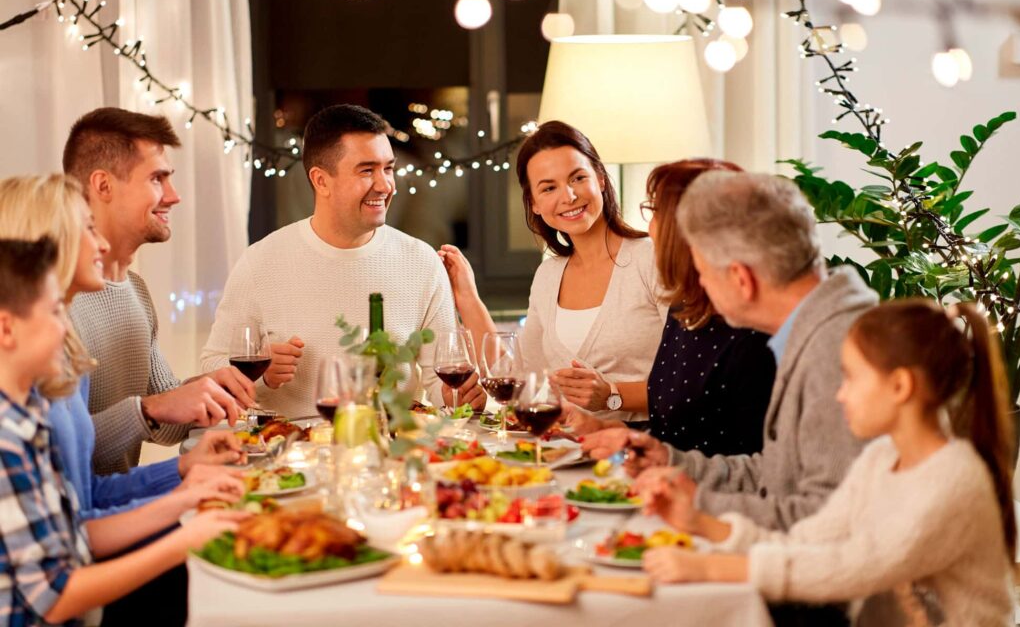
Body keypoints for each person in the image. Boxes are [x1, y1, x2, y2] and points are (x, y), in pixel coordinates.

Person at [638, 300, 1014, 626]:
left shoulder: (952, 481)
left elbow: (850, 566)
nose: (839, 393)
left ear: (900, 386)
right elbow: (810, 541)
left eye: (850, 377)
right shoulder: (882, 459)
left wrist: (711, 567)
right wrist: (702, 523)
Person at [583, 171, 876, 530]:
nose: (699, 284)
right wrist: (671, 462)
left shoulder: (837, 353)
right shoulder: (807, 330)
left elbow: (827, 519)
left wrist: (697, 504)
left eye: (703, 271)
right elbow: (777, 473)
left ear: (741, 279)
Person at [0, 237, 247, 626]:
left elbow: (78, 531)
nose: (68, 329)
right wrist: (182, 540)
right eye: (55, 312)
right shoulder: (7, 437)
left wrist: (187, 497)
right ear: (7, 329)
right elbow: (54, 598)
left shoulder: (29, 420)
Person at [202, 104, 480, 418]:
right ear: (321, 181)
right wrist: (262, 374)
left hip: (392, 451)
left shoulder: (422, 262)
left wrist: (456, 395)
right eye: (366, 170)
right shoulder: (260, 261)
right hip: (290, 452)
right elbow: (214, 363)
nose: (385, 185)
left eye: (388, 168)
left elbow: (438, 381)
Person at [0, 174, 245, 520]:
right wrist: (183, 506)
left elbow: (87, 495)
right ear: (48, 241)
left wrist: (186, 467)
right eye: (88, 229)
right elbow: (75, 537)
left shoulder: (69, 349)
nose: (102, 244)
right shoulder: (26, 369)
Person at [63, 107, 256, 475]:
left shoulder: (135, 289)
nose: (174, 196)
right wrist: (154, 408)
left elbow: (167, 424)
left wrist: (215, 386)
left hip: (122, 503)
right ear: (103, 185)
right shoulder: (54, 298)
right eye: (157, 179)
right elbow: (57, 448)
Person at [439, 121, 667, 422]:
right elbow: (519, 379)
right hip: (566, 453)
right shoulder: (549, 275)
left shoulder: (652, 259)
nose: (569, 196)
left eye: (578, 178)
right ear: (534, 203)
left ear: (599, 178)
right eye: (549, 187)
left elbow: (697, 383)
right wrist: (467, 297)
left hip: (643, 451)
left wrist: (613, 394)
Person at [562, 159, 775, 455]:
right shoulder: (683, 310)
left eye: (656, 211)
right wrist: (611, 430)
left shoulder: (751, 332)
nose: (650, 228)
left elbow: (755, 464)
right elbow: (672, 430)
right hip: (661, 487)